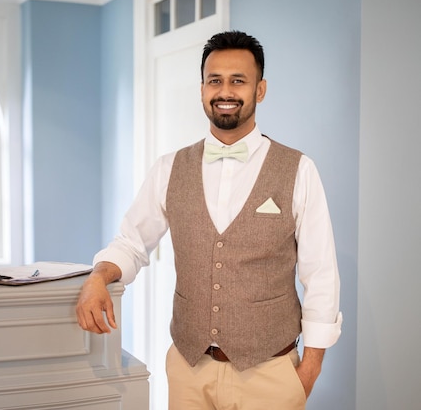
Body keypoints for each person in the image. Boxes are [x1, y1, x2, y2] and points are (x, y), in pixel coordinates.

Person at [75, 30, 342, 409]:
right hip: (189, 371)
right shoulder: (169, 168)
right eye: (215, 80)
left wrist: (309, 369)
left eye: (239, 80)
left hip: (271, 373)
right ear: (202, 89)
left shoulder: (298, 169)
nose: (225, 91)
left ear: (260, 90)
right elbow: (131, 243)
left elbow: (321, 276)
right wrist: (98, 276)